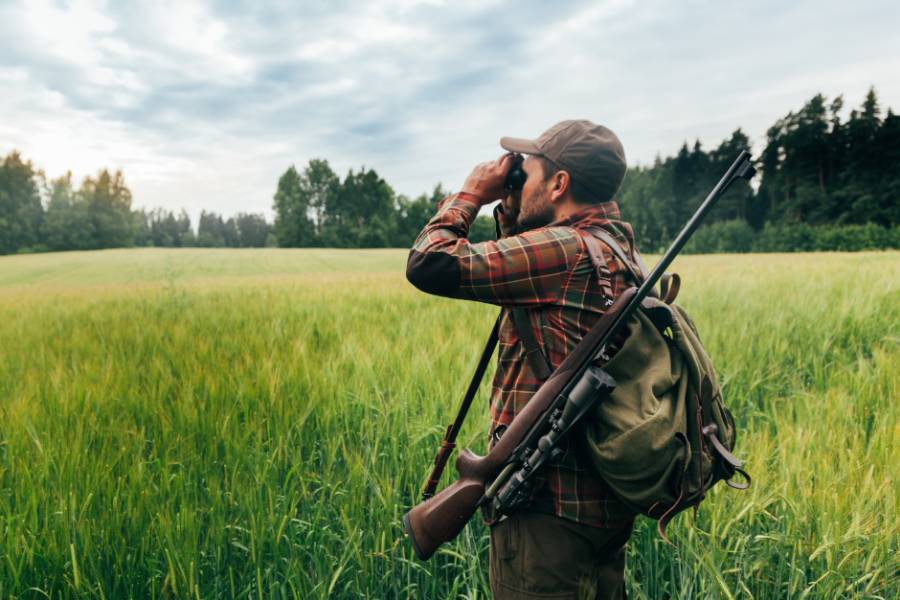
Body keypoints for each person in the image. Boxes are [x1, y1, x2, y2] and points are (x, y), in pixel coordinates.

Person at [406, 120, 645, 599]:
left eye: (527, 173)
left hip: (544, 515)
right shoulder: (619, 250)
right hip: (604, 506)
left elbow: (428, 262)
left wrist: (471, 193)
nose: (516, 181)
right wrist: (516, 206)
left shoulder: (562, 250)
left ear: (559, 184)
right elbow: (521, 269)